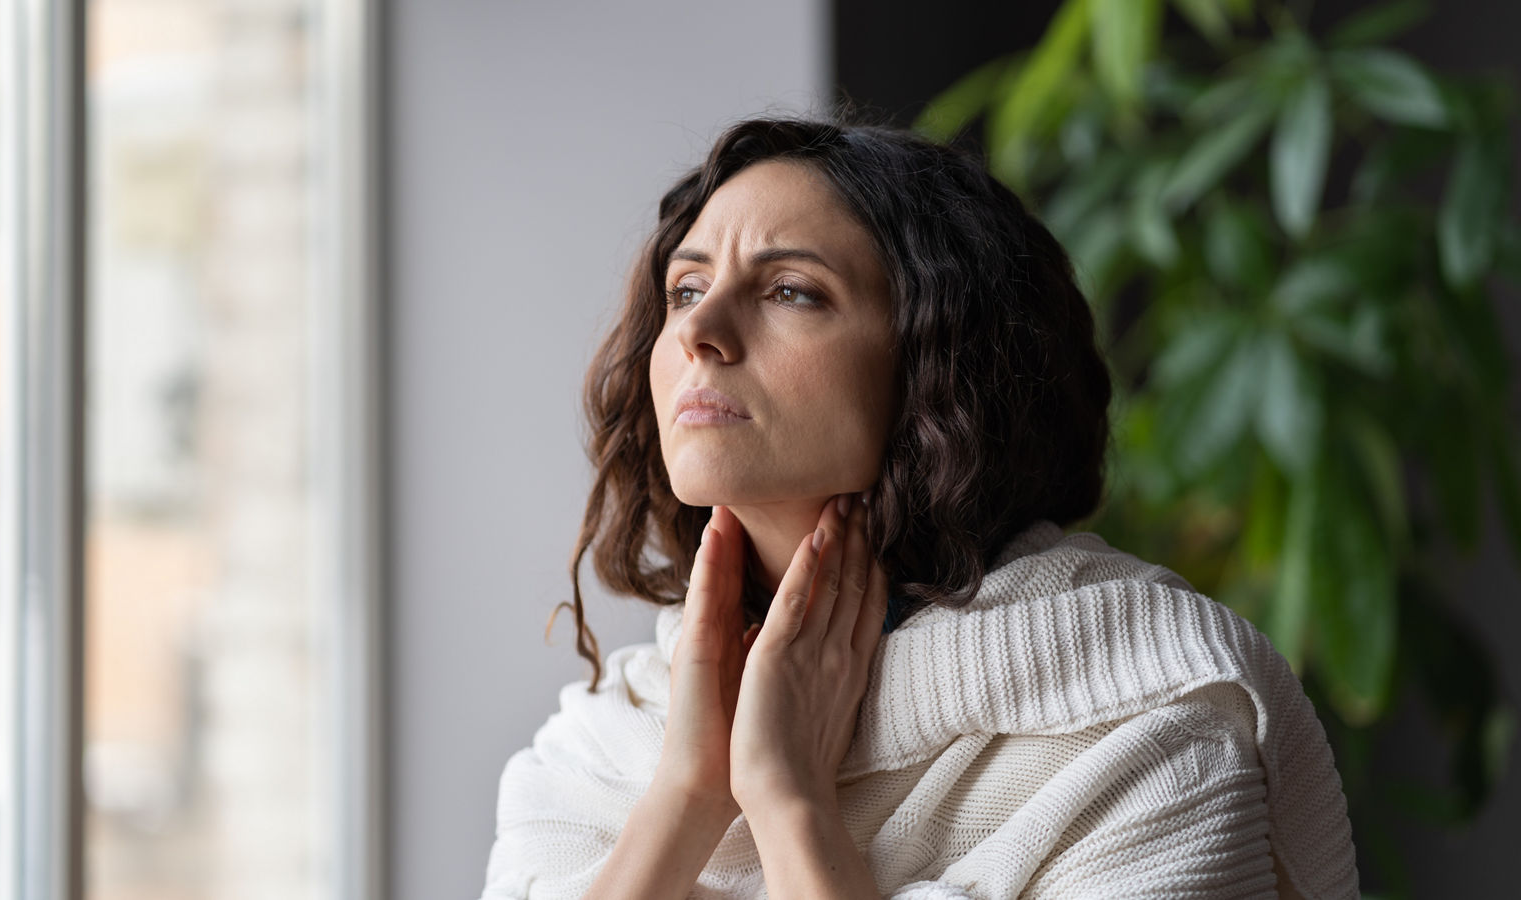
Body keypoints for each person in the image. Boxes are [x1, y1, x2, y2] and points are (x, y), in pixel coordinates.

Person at [480, 116, 1359, 899]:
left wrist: (789, 807)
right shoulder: (598, 754)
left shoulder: (1153, 734)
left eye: (791, 290)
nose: (699, 330)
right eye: (684, 289)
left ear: (942, 366)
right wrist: (685, 802)